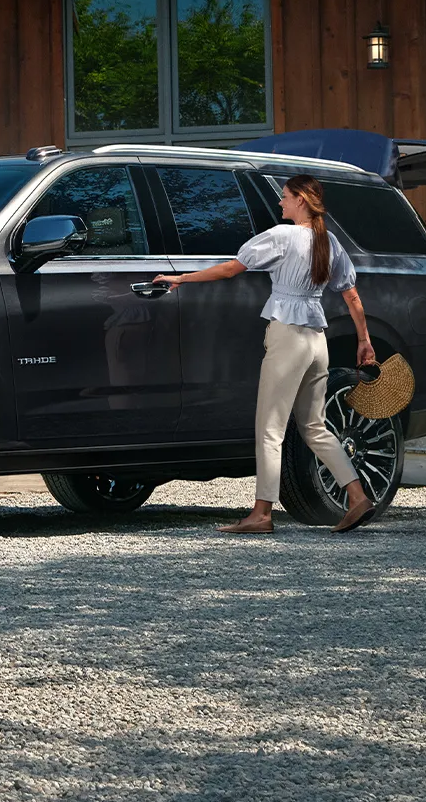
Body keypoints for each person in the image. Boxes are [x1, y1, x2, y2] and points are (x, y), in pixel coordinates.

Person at [153, 174, 378, 534]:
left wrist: (181, 279)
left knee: (270, 428)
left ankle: (261, 514)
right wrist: (363, 340)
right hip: (316, 340)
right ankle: (356, 495)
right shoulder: (329, 242)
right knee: (314, 426)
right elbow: (351, 296)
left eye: (286, 197)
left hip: (288, 336)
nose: (280, 202)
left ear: (301, 200)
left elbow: (231, 269)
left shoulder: (282, 236)